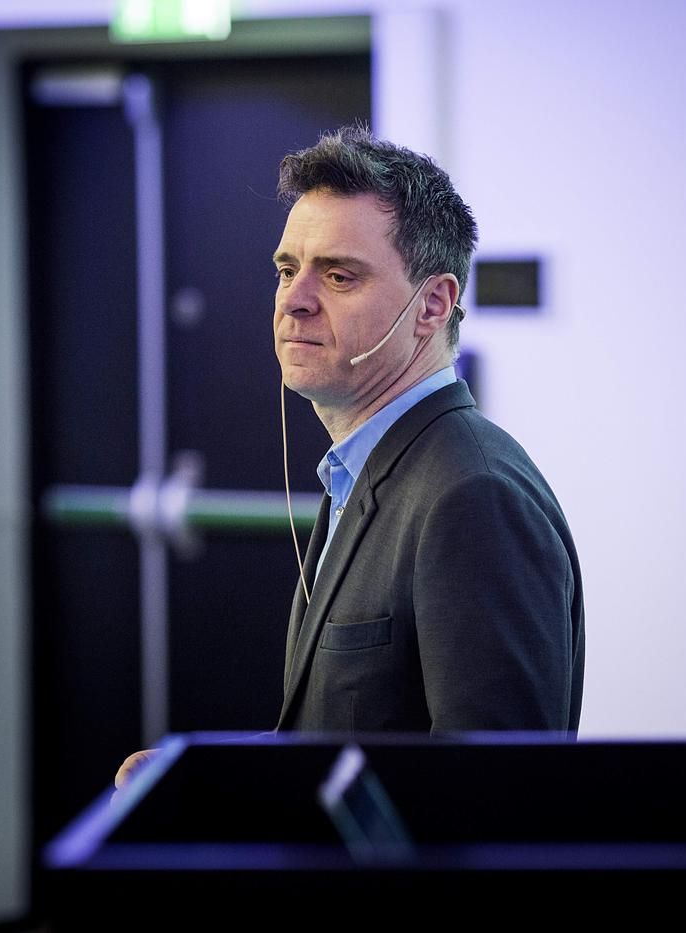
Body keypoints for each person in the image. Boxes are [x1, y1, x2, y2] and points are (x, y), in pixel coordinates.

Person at [116, 127, 583, 791]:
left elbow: (494, 799)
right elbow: (348, 745)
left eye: (338, 276)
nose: (295, 300)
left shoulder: (472, 495)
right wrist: (211, 777)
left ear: (432, 305)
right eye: (287, 270)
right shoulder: (366, 469)